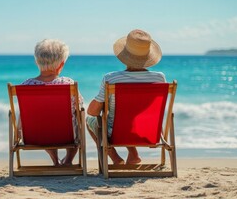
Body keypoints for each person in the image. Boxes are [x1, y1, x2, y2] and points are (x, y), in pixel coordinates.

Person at [86, 29, 166, 165]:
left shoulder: (111, 78)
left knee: (90, 121)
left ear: (125, 54)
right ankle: (133, 155)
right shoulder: (159, 78)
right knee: (132, 116)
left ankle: (116, 159)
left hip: (118, 132)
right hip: (149, 132)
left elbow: (92, 112)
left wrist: (102, 105)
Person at [21, 38, 83, 166]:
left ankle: (55, 161)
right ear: (61, 65)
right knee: (78, 118)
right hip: (67, 135)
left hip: (36, 135)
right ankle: (68, 161)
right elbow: (79, 106)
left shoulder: (26, 85)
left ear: (36, 62)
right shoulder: (68, 84)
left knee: (44, 121)